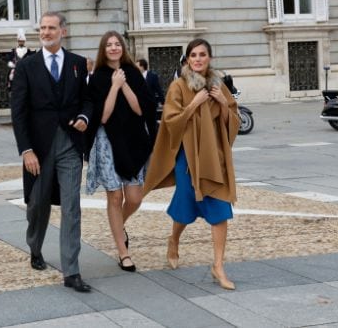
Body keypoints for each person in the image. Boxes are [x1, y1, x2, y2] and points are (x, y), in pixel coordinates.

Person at [143, 38, 240, 290]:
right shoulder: (178, 86)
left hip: (214, 157)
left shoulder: (219, 86)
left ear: (209, 58)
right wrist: (193, 106)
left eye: (202, 55)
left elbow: (234, 120)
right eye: (193, 55)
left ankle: (218, 266)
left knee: (220, 208)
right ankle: (174, 239)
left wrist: (221, 102)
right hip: (187, 158)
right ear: (187, 59)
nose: (198, 59)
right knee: (186, 205)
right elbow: (170, 122)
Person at [10, 11, 93, 293]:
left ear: (63, 32)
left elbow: (87, 100)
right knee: (37, 204)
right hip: (39, 148)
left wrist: (84, 116)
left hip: (70, 145)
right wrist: (26, 150)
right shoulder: (26, 66)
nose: (45, 32)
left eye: (51, 28)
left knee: (72, 208)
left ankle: (71, 271)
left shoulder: (78, 64)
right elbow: (18, 112)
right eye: (42, 28)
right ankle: (35, 246)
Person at [85, 31, 156, 272]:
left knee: (135, 198)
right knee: (115, 197)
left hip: (132, 139)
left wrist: (124, 83)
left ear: (122, 48)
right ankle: (123, 252)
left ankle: (118, 226)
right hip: (107, 142)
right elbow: (103, 116)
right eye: (109, 45)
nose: (114, 48)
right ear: (103, 50)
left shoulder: (133, 73)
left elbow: (140, 110)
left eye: (117, 44)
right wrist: (114, 87)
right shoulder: (97, 79)